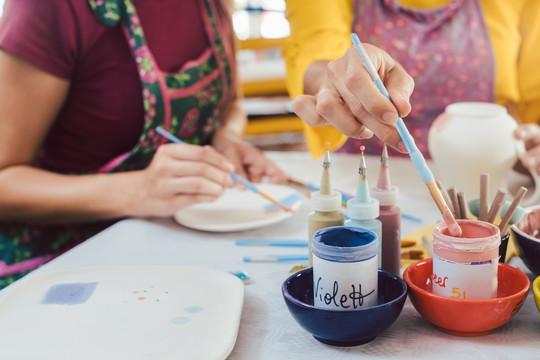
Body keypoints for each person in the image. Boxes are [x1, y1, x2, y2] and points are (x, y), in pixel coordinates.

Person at [0, 0, 286, 288]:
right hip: (57, 271)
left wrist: (226, 136)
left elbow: (232, 104)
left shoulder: (214, 5)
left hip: (170, 253)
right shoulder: (50, 7)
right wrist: (138, 192)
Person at [283, 0, 540, 165]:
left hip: (488, 176)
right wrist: (334, 81)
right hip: (362, 176)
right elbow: (315, 48)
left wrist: (533, 143)